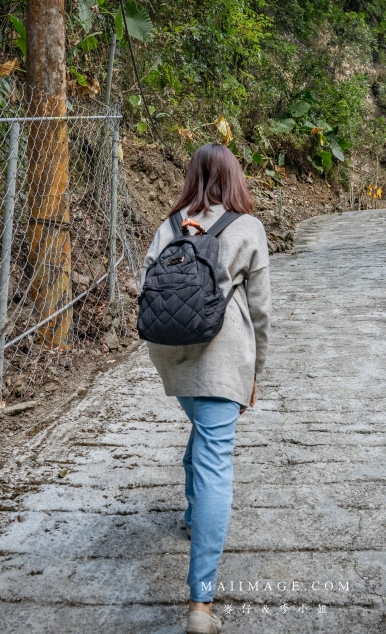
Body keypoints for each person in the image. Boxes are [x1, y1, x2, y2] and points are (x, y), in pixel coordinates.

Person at [141, 143, 270, 634]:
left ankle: (194, 515)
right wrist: (256, 372)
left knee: (201, 429)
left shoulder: (168, 225)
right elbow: (260, 312)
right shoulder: (247, 227)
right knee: (217, 457)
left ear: (192, 177)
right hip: (221, 356)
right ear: (234, 179)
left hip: (171, 355)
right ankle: (201, 606)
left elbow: (147, 289)